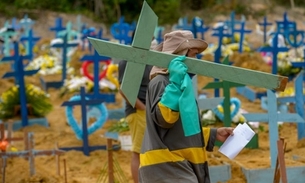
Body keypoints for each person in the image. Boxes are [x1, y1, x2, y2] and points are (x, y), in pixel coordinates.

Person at [139, 30, 234, 183]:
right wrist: (175, 83)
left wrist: (213, 134)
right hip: (167, 167)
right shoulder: (162, 82)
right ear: (181, 55)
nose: (196, 60)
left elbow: (179, 130)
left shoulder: (179, 85)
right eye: (194, 54)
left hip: (179, 164)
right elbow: (164, 119)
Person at [118, 35, 156, 183]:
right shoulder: (129, 59)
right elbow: (125, 90)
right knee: (139, 151)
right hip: (138, 111)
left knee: (150, 150)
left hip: (149, 110)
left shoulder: (146, 58)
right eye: (150, 39)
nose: (153, 42)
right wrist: (143, 108)